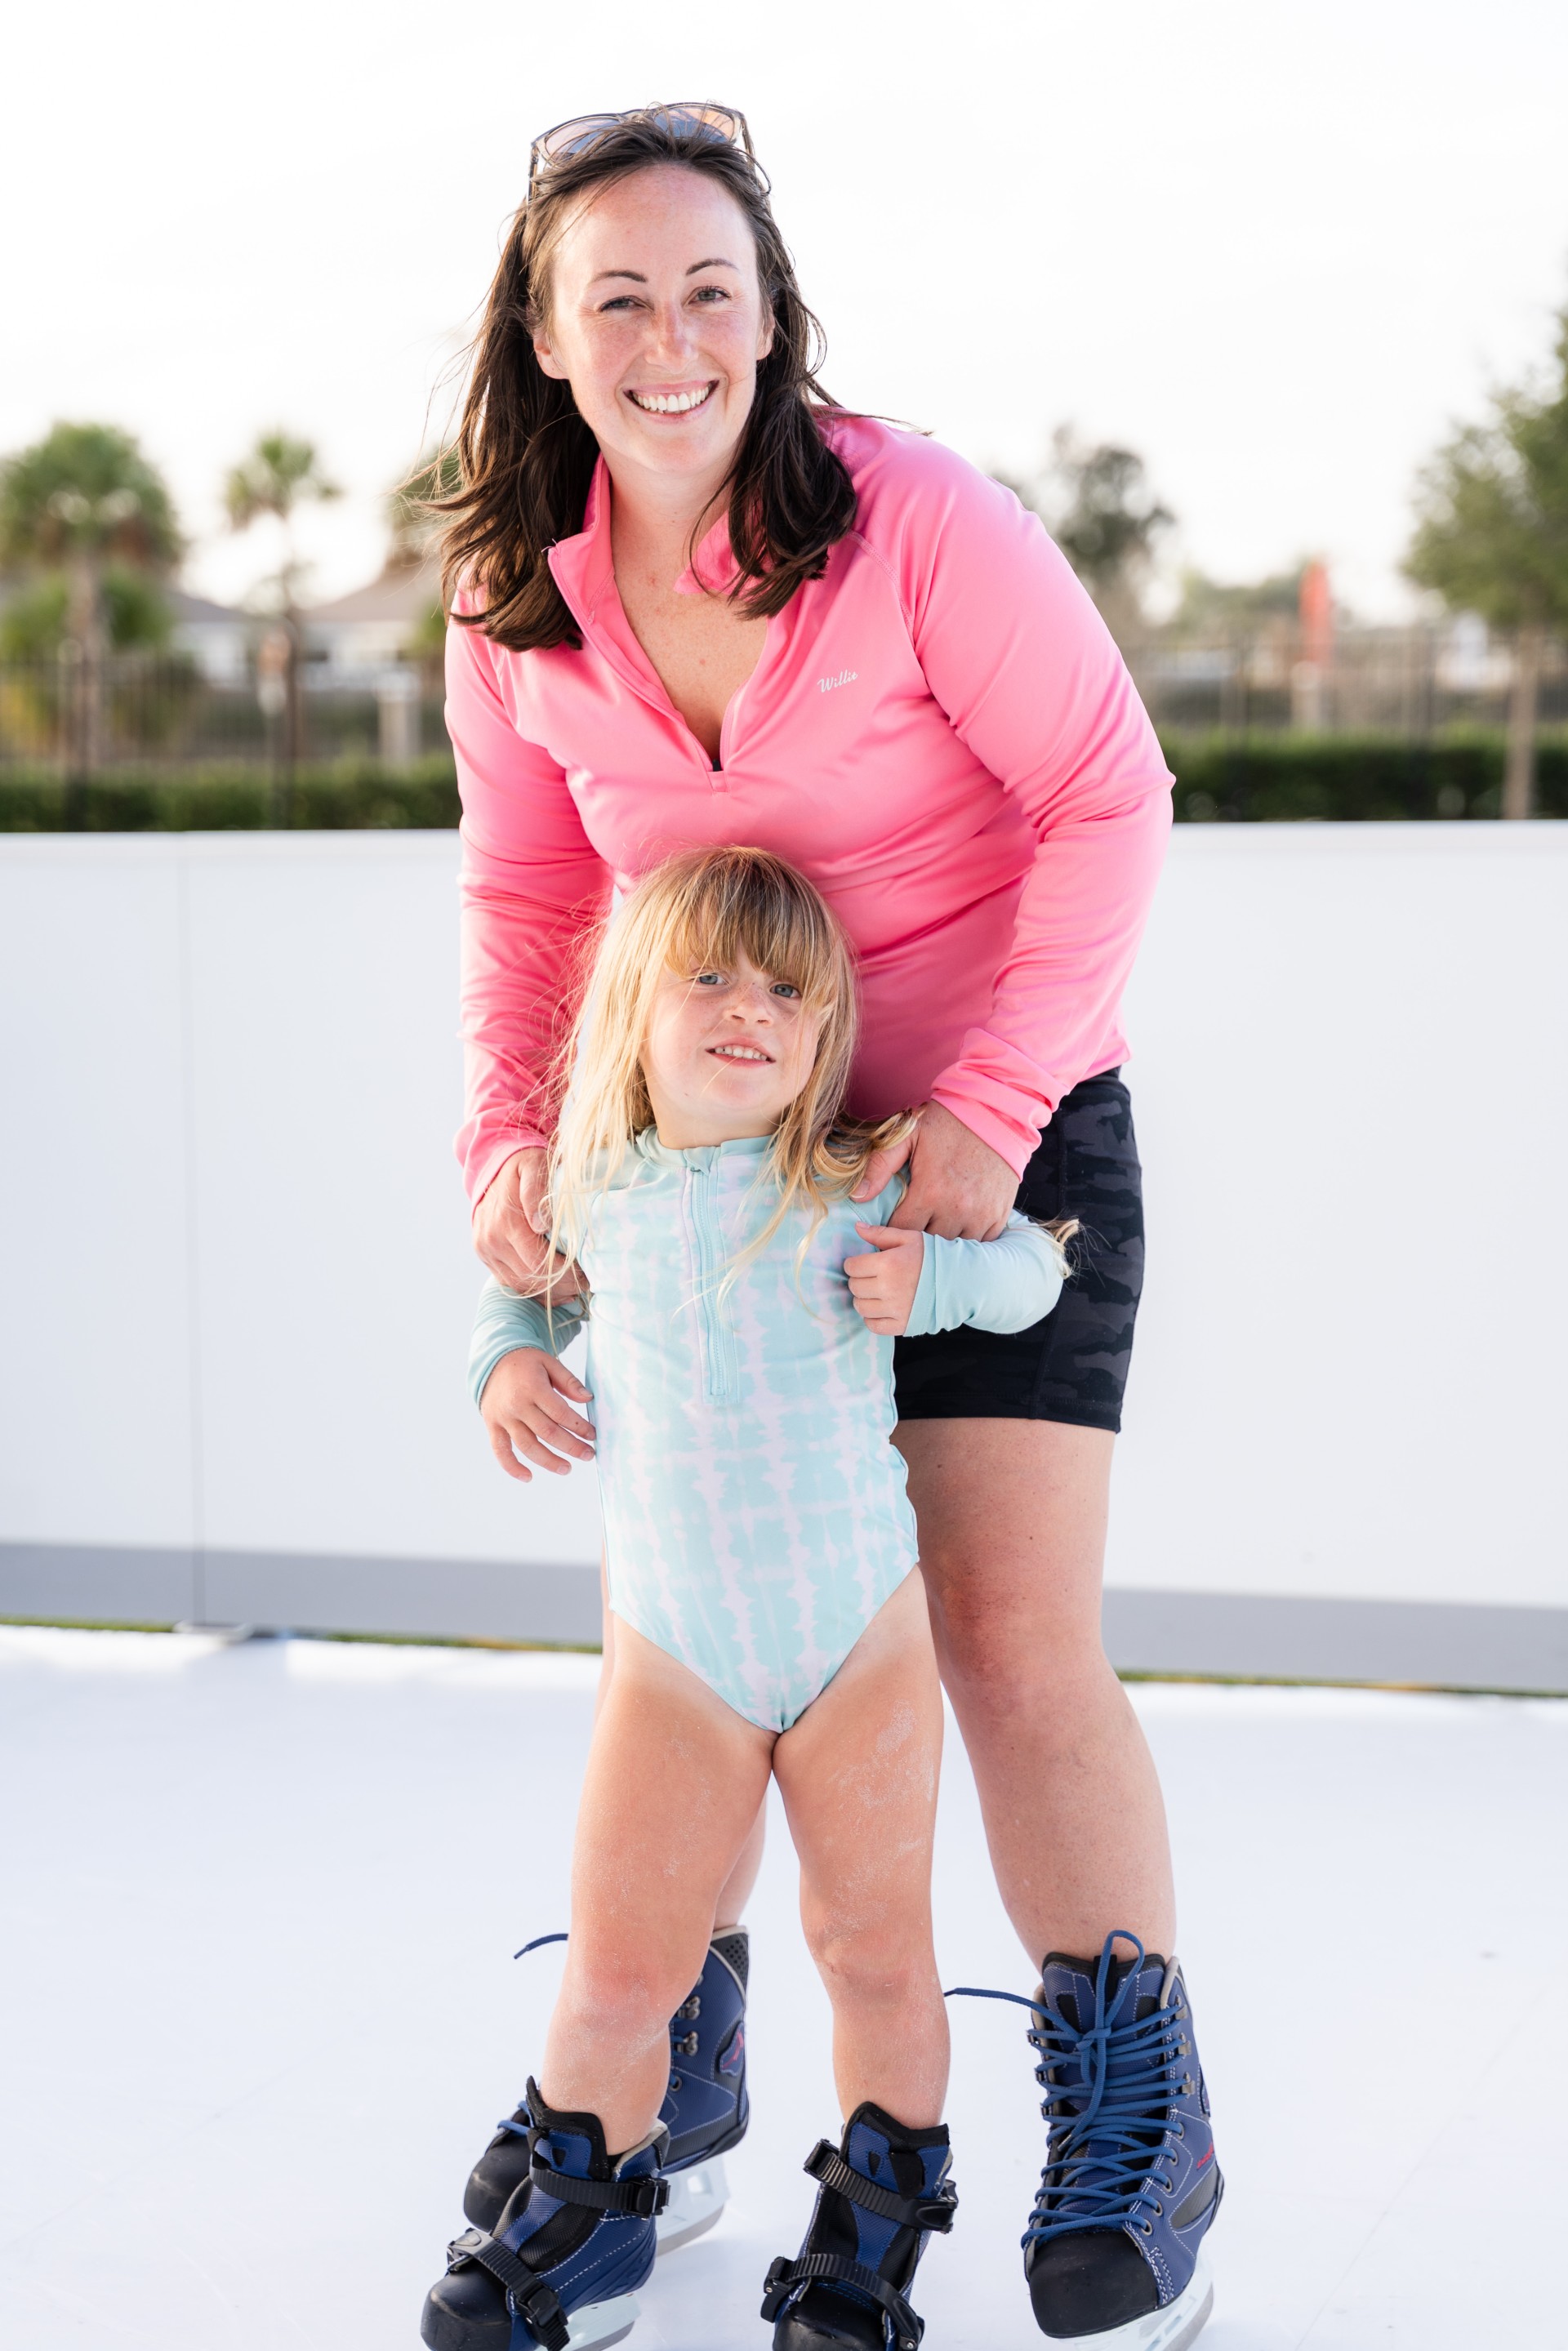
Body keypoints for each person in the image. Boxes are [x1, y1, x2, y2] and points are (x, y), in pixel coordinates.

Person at [442, 104, 1222, 2349]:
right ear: (548, 332)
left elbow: (1107, 796)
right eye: (622, 293)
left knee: (993, 1635)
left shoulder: (910, 521)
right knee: (685, 1619)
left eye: (712, 287)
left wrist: (980, 1117)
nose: (673, 336)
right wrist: (515, 1143)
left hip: (981, 1149)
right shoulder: (521, 603)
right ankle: (671, 2062)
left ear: (770, 314)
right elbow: (524, 892)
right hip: (693, 1168)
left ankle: (1131, 2110)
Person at [423, 845, 1069, 2351]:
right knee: (623, 1965)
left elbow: (1035, 1273)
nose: (747, 1011)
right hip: (677, 1651)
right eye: (707, 975)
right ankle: (582, 2226)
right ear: (629, 1011)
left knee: (872, 1950)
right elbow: (512, 1286)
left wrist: (942, 1287)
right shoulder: (588, 1188)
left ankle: (871, 2245)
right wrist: (505, 1360)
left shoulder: (854, 1178)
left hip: (856, 1636)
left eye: (788, 990)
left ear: (827, 1033)